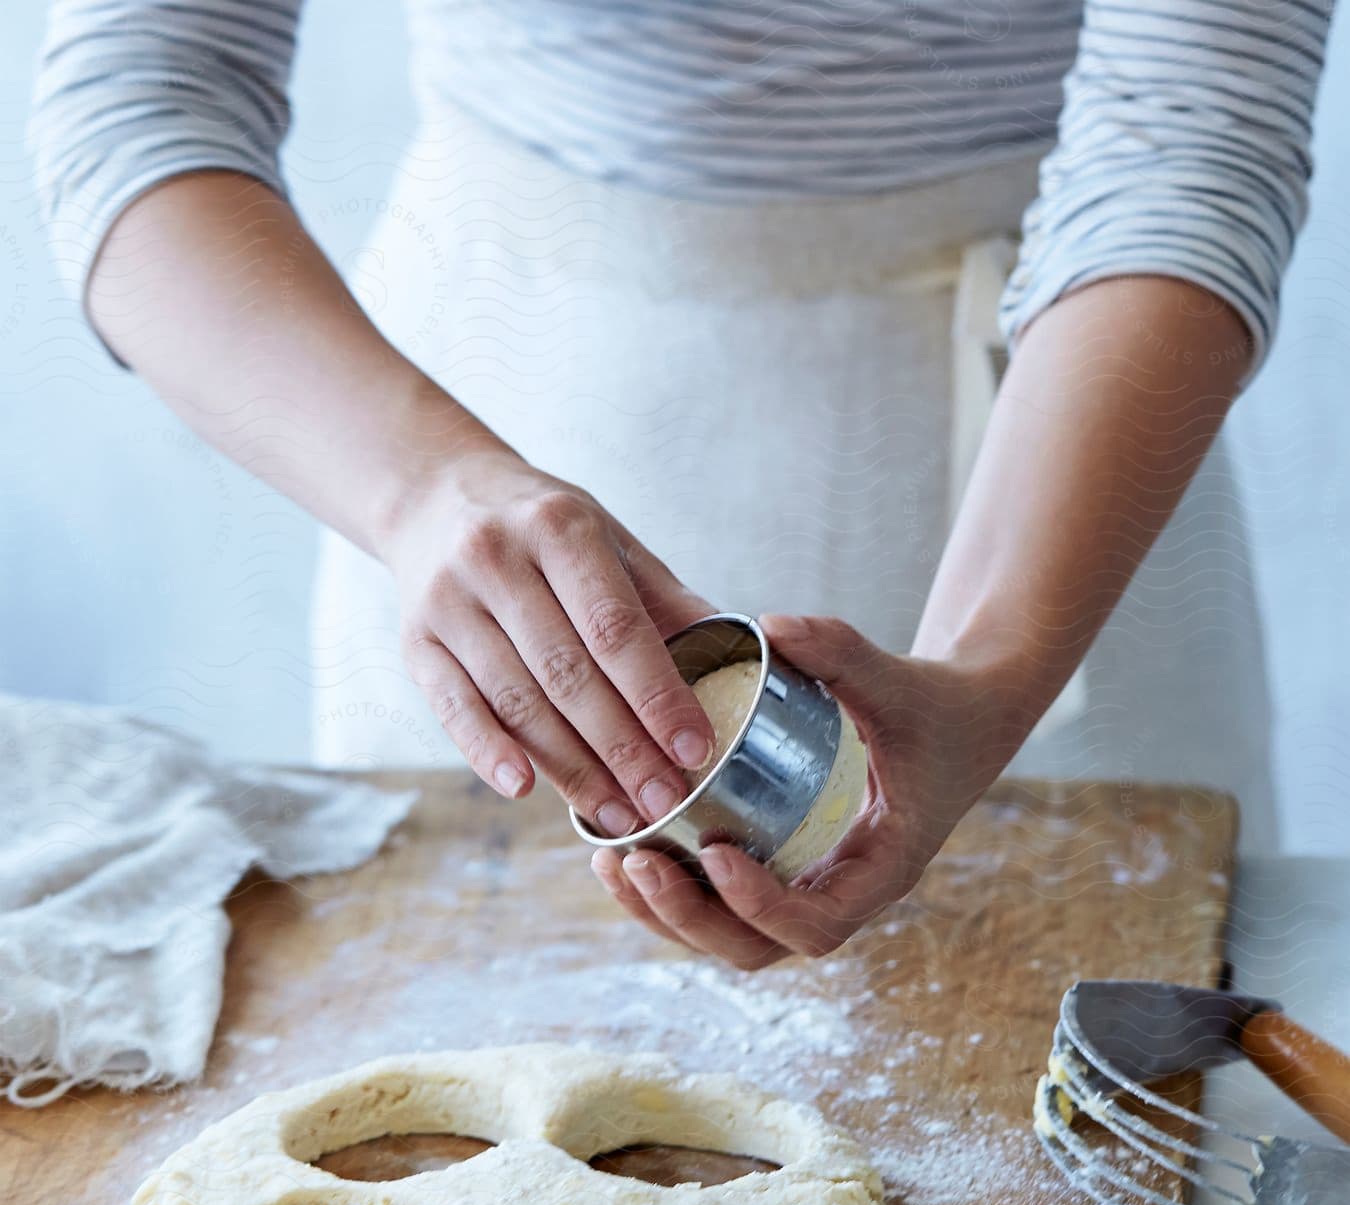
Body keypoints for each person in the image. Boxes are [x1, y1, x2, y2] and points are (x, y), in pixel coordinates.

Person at [29, 2, 1333, 968]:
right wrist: (421, 494)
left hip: (1064, 478)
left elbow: (1185, 140)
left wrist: (994, 673)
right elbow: (140, 98)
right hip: (476, 438)